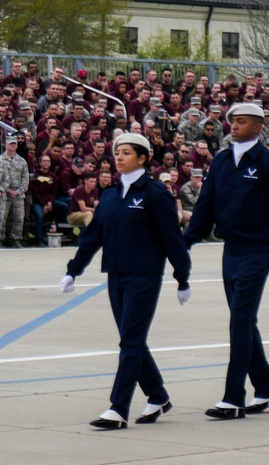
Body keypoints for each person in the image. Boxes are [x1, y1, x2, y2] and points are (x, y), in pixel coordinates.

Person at [60, 133, 191, 429]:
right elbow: (94, 237)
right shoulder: (109, 195)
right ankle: (157, 395)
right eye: (117, 153)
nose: (118, 157)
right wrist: (73, 270)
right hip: (116, 275)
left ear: (143, 158)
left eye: (126, 153)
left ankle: (118, 408)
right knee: (131, 340)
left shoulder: (156, 194)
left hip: (144, 276)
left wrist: (182, 277)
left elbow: (173, 240)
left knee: (130, 341)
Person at [183, 103, 269, 420]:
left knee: (239, 321)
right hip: (231, 249)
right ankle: (266, 390)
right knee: (244, 321)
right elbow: (205, 206)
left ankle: (234, 396)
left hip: (258, 249)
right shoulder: (222, 161)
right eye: (232, 122)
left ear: (258, 127)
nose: (234, 127)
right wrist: (186, 242)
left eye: (241, 122)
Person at [0, 135, 30, 248]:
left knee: (19, 218)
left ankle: (15, 239)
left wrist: (19, 191)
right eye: (10, 143)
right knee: (2, 217)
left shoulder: (22, 161)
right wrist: (6, 190)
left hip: (18, 194)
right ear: (5, 145)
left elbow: (25, 178)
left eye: (14, 143)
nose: (12, 145)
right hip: (4, 194)